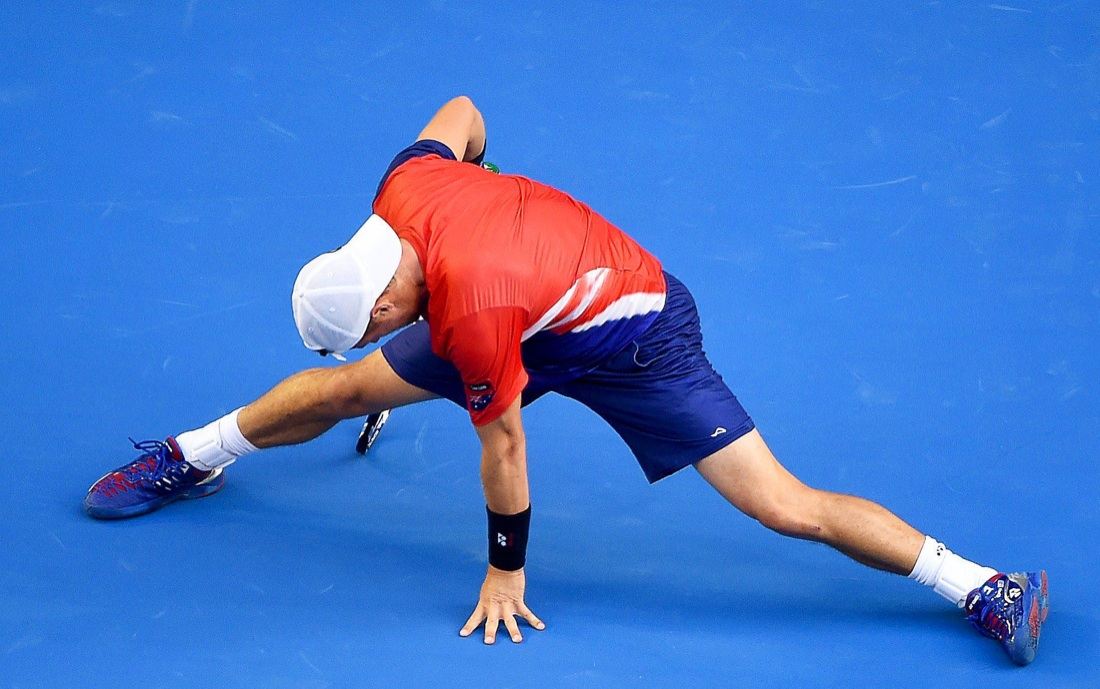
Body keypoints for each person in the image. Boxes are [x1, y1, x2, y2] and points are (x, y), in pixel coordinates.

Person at [83, 96, 1048, 664]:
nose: (369, 340)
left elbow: (503, 442)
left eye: (364, 334)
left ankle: (985, 586)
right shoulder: (406, 188)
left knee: (783, 506)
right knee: (336, 394)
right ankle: (192, 456)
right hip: (532, 309)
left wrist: (507, 567)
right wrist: (490, 175)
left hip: (639, 338)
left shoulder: (466, 314)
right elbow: (461, 111)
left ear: (381, 305)